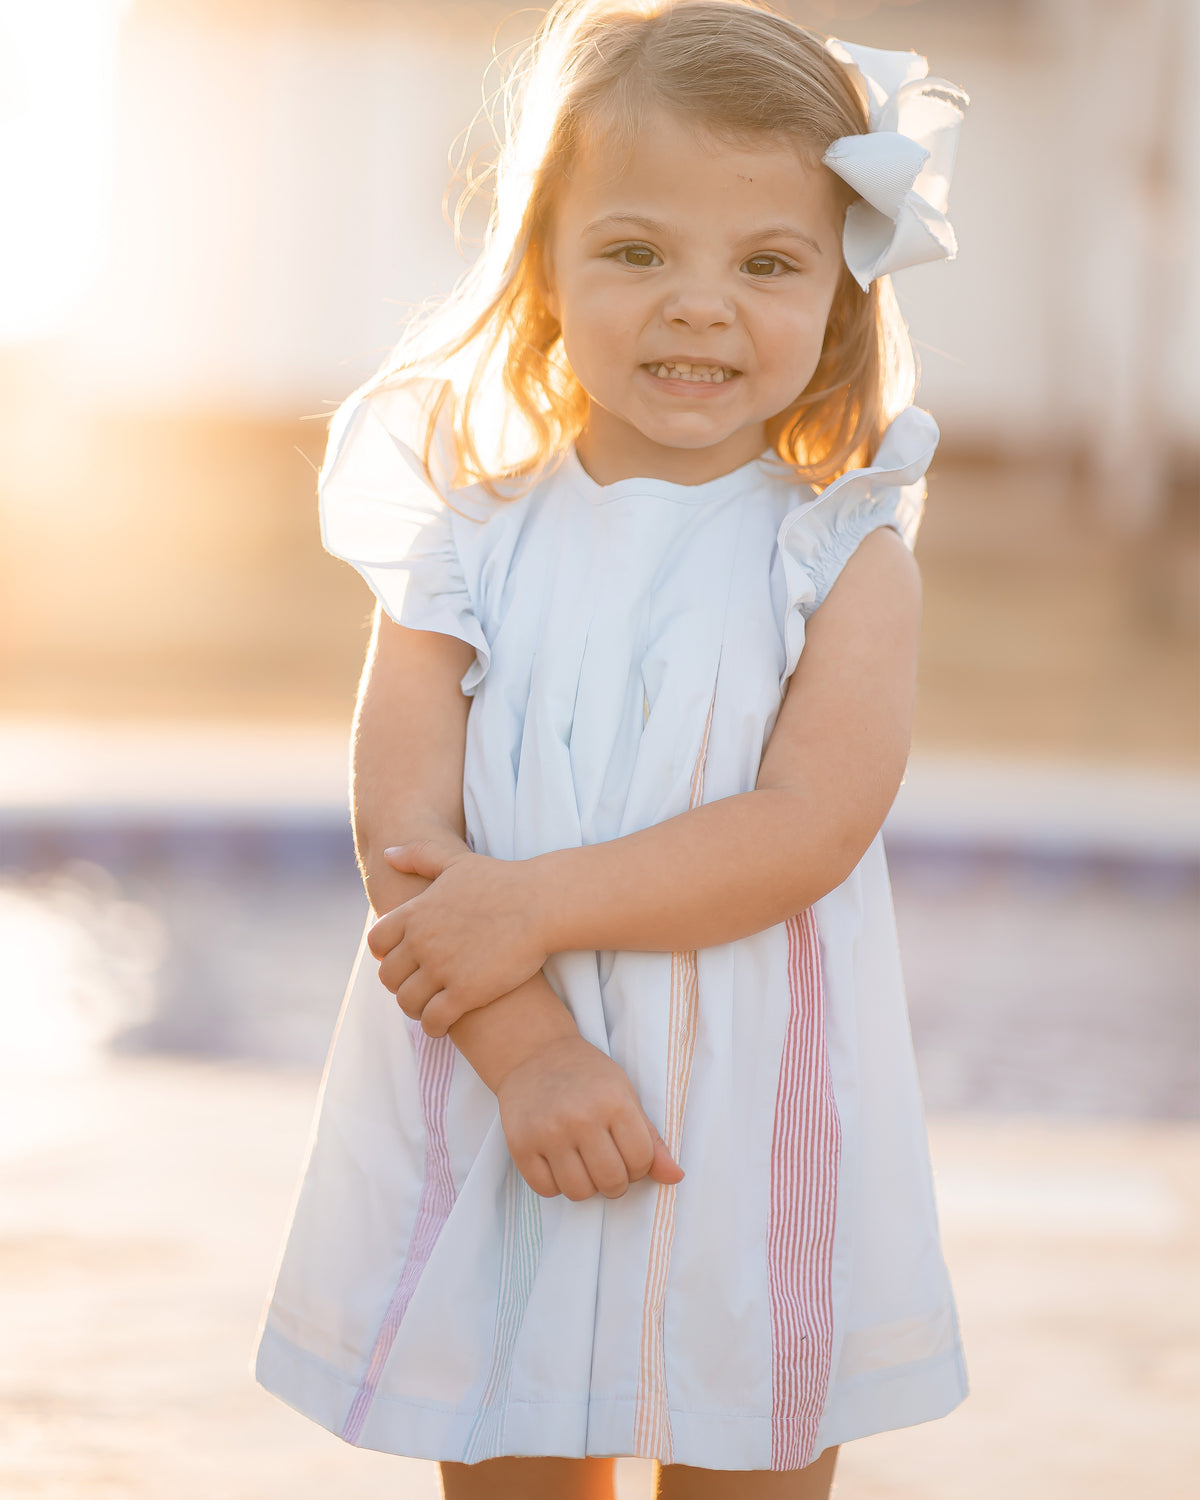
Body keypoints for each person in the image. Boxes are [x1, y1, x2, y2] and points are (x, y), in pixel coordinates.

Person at [253, 3, 971, 1496]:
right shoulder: (463, 538)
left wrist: (533, 903)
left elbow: (804, 829)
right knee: (517, 1452)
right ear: (545, 271)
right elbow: (405, 832)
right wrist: (528, 1053)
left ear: (840, 298)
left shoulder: (843, 556)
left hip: (746, 1116)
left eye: (766, 264)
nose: (699, 306)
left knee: (743, 1433)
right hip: (509, 1086)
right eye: (638, 252)